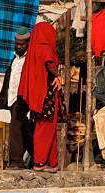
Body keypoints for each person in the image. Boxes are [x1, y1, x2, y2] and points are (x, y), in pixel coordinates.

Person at [18, 22, 65, 173]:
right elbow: (50, 63)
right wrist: (59, 76)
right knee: (45, 127)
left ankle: (52, 163)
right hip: (46, 94)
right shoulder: (44, 47)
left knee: (49, 127)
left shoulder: (32, 49)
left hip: (39, 94)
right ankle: (39, 162)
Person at [0, 26, 34, 169]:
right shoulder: (15, 59)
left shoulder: (30, 59)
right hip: (12, 98)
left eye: (22, 44)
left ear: (28, 43)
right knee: (22, 127)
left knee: (15, 126)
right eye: (17, 44)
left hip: (23, 98)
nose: (19, 47)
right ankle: (35, 155)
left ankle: (16, 161)